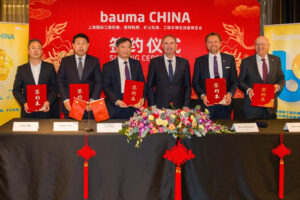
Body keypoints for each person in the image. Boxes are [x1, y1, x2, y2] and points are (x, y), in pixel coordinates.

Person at [238, 36, 285, 119]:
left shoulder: (276, 60)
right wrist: (248, 90)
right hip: (251, 108)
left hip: (270, 108)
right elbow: (241, 81)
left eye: (262, 44)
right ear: (254, 46)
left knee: (271, 131)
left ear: (268, 46)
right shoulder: (246, 62)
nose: (260, 47)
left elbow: (281, 78)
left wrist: (278, 86)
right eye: (257, 44)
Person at [193, 32, 238, 119]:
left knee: (224, 130)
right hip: (207, 104)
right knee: (208, 131)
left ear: (221, 43)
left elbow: (234, 80)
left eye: (216, 41)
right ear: (206, 44)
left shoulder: (230, 59)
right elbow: (195, 82)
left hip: (225, 104)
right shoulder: (200, 61)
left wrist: (229, 94)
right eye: (210, 42)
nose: (213, 44)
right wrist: (203, 96)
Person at [57, 33, 102, 119]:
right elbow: (60, 81)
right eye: (78, 43)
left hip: (88, 106)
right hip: (70, 105)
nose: (81, 46)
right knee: (71, 131)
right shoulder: (65, 61)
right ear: (73, 45)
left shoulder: (94, 61)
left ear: (88, 45)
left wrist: (92, 100)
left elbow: (98, 82)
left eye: (83, 43)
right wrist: (66, 100)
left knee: (88, 130)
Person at [102, 37, 146, 119]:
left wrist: (141, 99)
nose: (126, 50)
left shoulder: (136, 64)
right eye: (123, 47)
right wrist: (116, 101)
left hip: (134, 105)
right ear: (117, 49)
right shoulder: (108, 66)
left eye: (128, 47)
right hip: (115, 105)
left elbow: (142, 83)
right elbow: (106, 86)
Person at [13, 39, 57, 118]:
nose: (36, 50)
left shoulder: (49, 67)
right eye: (33, 48)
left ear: (42, 51)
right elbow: (16, 90)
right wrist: (24, 103)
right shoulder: (21, 69)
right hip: (28, 112)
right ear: (28, 51)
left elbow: (55, 87)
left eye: (38, 48)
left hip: (46, 111)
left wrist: (49, 101)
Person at [147, 34, 191, 111]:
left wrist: (186, 104)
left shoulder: (184, 63)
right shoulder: (155, 62)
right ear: (162, 46)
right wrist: (152, 105)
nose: (169, 46)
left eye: (172, 43)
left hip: (179, 106)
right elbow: (149, 86)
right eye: (166, 43)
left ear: (176, 45)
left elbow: (187, 86)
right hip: (159, 107)